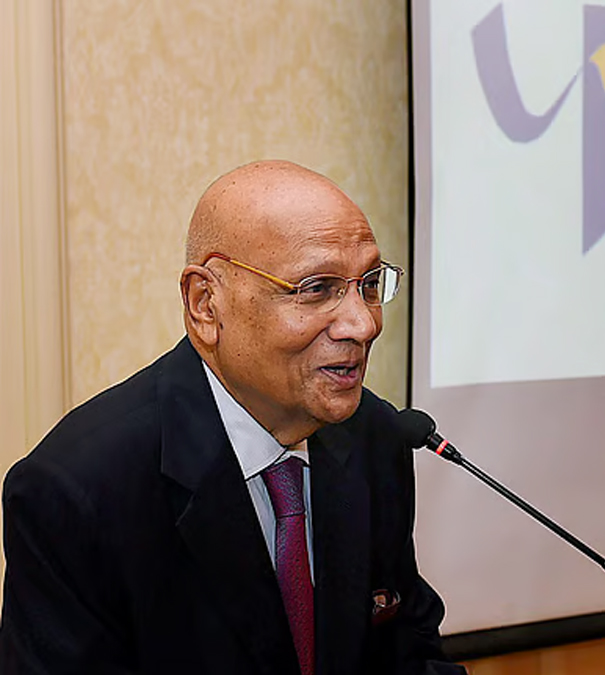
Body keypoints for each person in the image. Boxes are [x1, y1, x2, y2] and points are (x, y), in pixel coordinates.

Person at [0, 160, 466, 674]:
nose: (363, 324)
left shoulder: (375, 434)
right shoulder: (75, 492)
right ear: (206, 304)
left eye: (370, 284)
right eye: (317, 288)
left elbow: (406, 654)